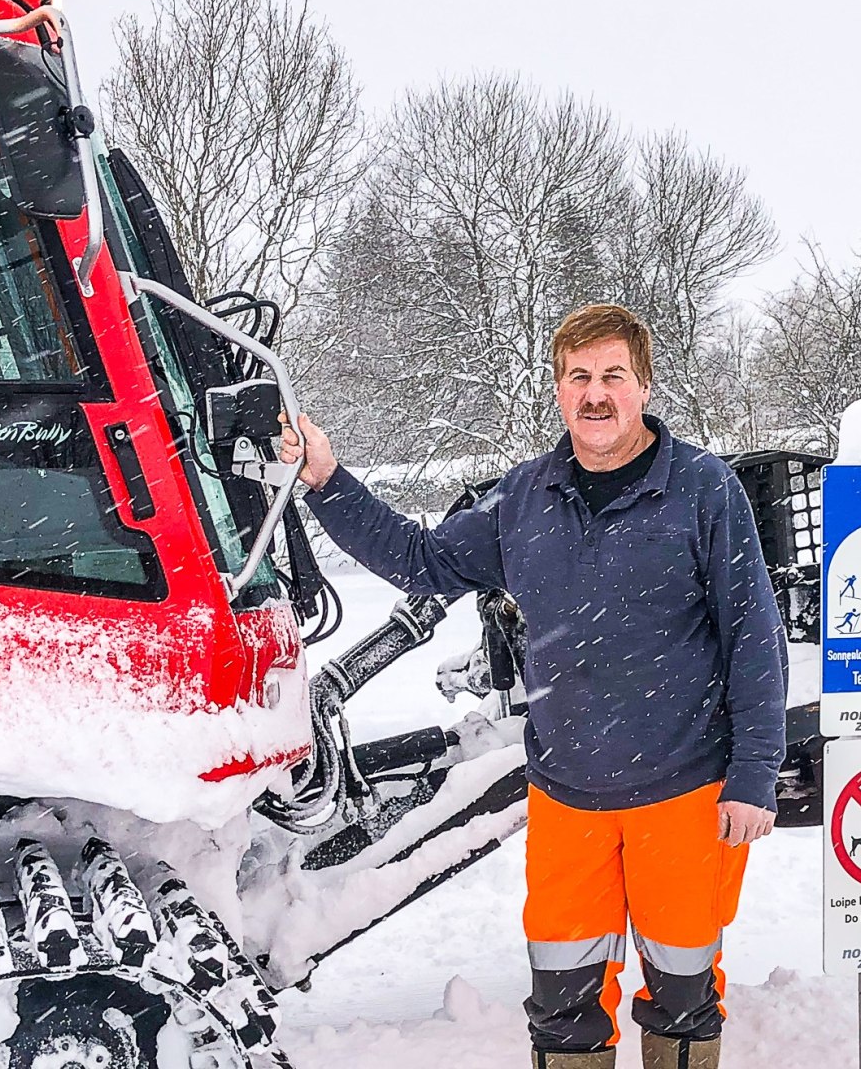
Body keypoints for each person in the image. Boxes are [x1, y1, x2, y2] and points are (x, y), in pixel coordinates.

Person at [280, 304, 788, 1069]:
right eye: (579, 376)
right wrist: (326, 481)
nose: (596, 393)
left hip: (685, 796)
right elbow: (422, 561)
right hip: (567, 798)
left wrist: (753, 775)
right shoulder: (523, 501)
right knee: (562, 1006)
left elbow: (755, 636)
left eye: (613, 375)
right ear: (557, 391)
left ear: (643, 386)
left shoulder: (702, 490)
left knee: (683, 995)